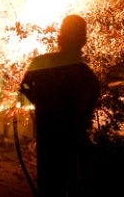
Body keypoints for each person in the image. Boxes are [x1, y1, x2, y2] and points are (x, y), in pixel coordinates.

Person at [19, 14, 101, 197]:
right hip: (74, 146)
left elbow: (23, 88)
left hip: (50, 142)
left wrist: (41, 101)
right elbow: (88, 116)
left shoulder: (42, 63)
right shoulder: (88, 77)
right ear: (83, 40)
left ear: (60, 36)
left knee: (50, 189)